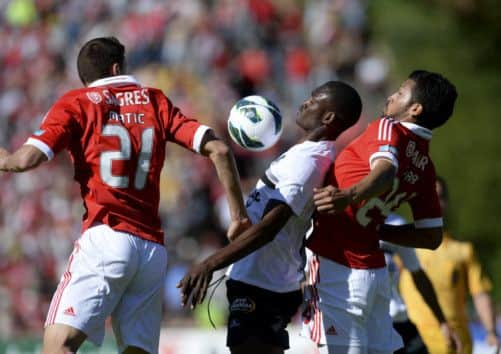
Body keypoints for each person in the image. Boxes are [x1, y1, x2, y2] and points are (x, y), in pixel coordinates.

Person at [0, 36, 250, 354]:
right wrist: (239, 217)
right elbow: (220, 148)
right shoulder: (155, 101)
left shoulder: (76, 102)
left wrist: (6, 160)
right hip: (151, 250)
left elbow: (25, 160)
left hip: (105, 236)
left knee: (58, 346)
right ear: (118, 67)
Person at [178, 81, 363, 354]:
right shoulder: (303, 153)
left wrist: (210, 263)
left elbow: (270, 228)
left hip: (263, 283)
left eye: (313, 101)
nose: (304, 103)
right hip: (263, 277)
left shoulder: (308, 162)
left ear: (328, 117)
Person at [303, 70, 460, 354]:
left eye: (400, 92)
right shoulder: (425, 165)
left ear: (415, 108)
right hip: (374, 272)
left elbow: (385, 171)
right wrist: (380, 230)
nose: (391, 96)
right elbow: (431, 236)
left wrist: (346, 196)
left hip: (336, 262)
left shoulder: (387, 127)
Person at [398, 176, 500, 354]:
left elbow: (480, 293)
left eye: (441, 197)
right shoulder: (403, 245)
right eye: (431, 197)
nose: (436, 203)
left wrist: (491, 331)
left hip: (458, 342)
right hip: (414, 340)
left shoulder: (463, 250)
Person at [381, 214, 451, 354]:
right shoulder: (341, 218)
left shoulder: (396, 223)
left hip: (398, 320)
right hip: (361, 321)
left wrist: (442, 322)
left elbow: (418, 274)